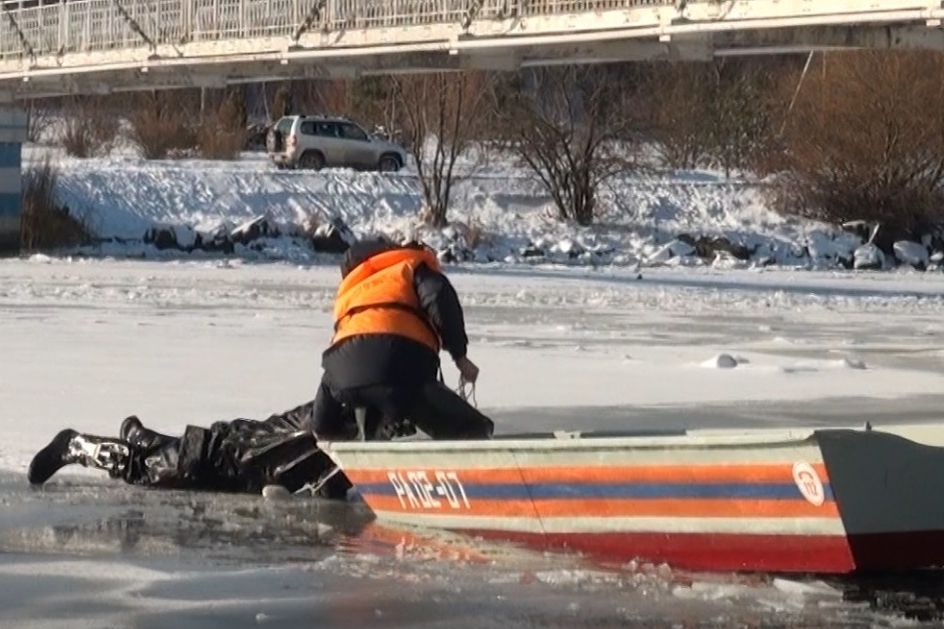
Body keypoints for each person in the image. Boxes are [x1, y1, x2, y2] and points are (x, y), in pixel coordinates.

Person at [27, 239, 493, 497]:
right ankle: (80, 446)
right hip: (248, 456)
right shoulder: (372, 391)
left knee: (217, 449)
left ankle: (143, 437)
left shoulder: (372, 378)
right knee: (179, 467)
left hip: (280, 443)